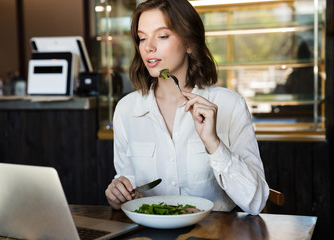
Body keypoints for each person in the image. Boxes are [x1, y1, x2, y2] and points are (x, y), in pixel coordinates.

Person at [105, 0, 269, 215]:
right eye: (142, 38)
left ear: (189, 43)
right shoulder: (127, 109)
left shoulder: (230, 105)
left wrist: (213, 143)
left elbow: (256, 202)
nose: (148, 47)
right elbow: (128, 184)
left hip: (216, 233)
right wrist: (118, 193)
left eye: (162, 36)